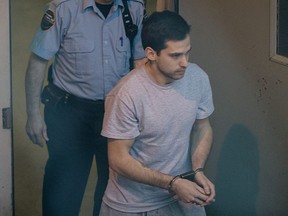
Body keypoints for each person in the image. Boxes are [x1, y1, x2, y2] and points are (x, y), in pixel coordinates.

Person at [25, 0, 146, 215]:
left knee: (114, 194)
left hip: (116, 115)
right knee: (62, 194)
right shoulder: (63, 8)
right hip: (69, 113)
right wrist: (33, 114)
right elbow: (38, 60)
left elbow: (141, 63)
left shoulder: (134, 7)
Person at [99, 10, 216, 216]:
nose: (185, 63)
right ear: (151, 53)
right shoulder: (126, 94)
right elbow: (118, 159)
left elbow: (202, 127)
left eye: (187, 52)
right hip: (133, 205)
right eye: (175, 55)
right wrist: (172, 183)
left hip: (183, 196)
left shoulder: (197, 77)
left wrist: (197, 170)